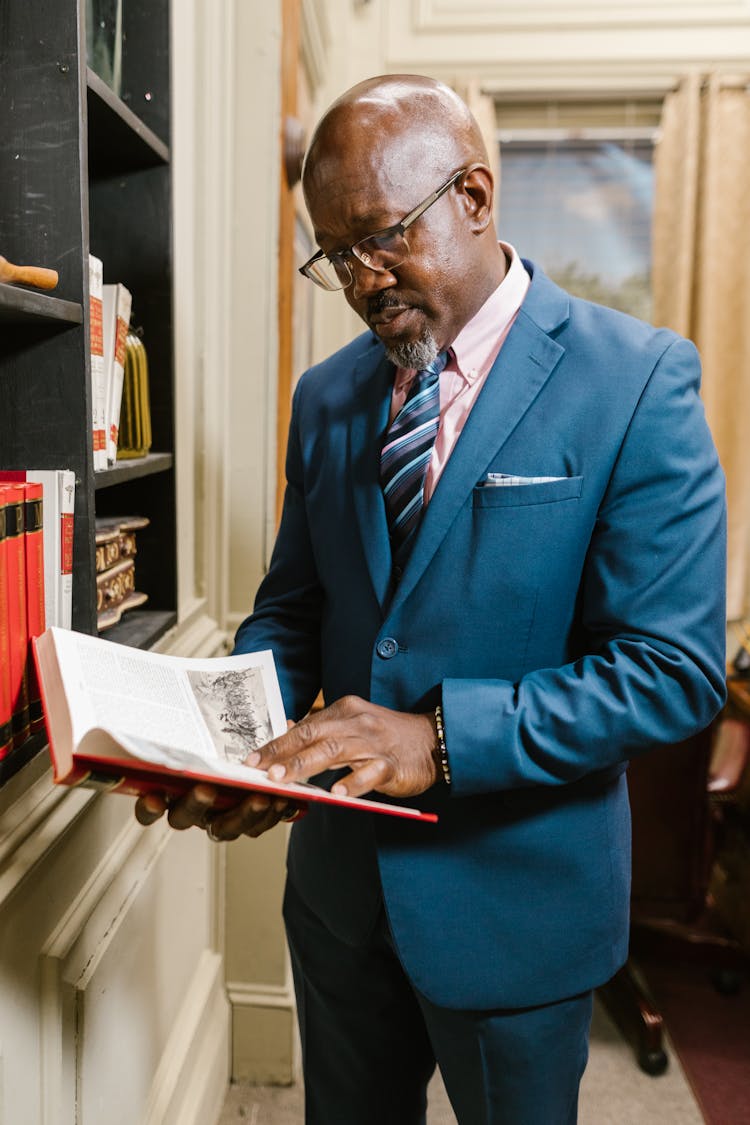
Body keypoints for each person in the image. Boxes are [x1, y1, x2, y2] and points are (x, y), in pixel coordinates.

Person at [137, 74, 727, 1123]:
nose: (363, 280)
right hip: (338, 904)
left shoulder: (638, 380)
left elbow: (673, 673)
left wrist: (438, 742)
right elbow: (295, 610)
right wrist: (238, 742)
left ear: (475, 197)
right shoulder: (327, 396)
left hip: (517, 908)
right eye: (334, 254)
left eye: (382, 237)